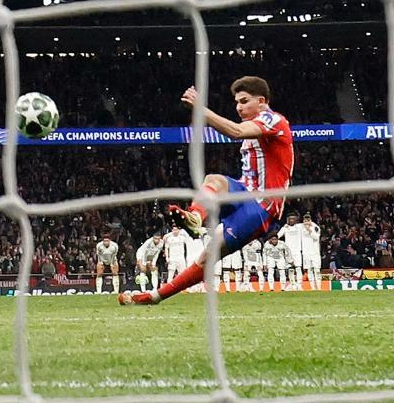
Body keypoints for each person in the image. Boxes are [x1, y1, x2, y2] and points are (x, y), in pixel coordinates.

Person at [120, 76, 294, 306]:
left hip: (262, 207)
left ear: (261, 101)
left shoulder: (274, 120)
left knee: (208, 257)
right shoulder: (257, 126)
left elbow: (235, 131)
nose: (239, 107)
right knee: (214, 180)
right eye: (237, 102)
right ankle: (194, 218)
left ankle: (155, 295)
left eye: (244, 101)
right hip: (244, 192)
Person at [277, 214, 305, 291]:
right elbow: (277, 236)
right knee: (290, 268)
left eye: (293, 219)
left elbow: (309, 222)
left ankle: (299, 285)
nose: (292, 220)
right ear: (287, 220)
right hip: (288, 252)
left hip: (297, 251)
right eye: (290, 219)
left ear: (296, 220)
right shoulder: (285, 228)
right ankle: (292, 284)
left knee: (298, 268)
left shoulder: (299, 227)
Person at [300, 212, 322, 290]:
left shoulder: (316, 227)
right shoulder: (301, 228)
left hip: (315, 253)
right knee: (309, 270)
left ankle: (319, 288)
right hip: (306, 253)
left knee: (317, 270)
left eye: (308, 219)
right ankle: (312, 288)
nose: (306, 221)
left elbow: (316, 238)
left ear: (310, 219)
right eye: (305, 220)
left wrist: (309, 230)